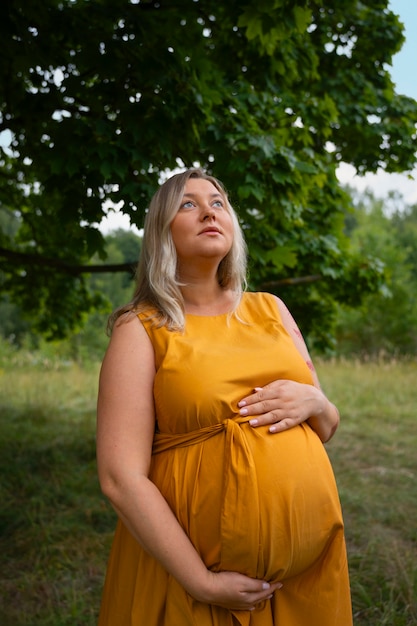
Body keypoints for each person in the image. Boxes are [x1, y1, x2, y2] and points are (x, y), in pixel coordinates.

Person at [96, 168, 353, 626]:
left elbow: (326, 425)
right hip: (196, 578)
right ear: (161, 230)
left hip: (305, 579)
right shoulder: (141, 328)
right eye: (188, 204)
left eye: (218, 202)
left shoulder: (270, 309)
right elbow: (120, 477)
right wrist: (201, 581)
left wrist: (317, 403)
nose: (209, 212)